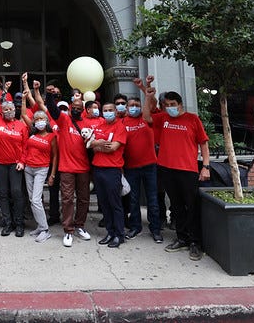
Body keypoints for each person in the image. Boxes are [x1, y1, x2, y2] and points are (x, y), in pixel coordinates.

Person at [141, 77, 210, 261]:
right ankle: (182, 238)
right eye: (167, 104)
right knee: (177, 207)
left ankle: (195, 242)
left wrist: (206, 166)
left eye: (173, 104)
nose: (170, 107)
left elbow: (203, 144)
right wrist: (148, 97)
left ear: (180, 104)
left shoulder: (192, 119)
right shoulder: (163, 118)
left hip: (188, 170)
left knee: (192, 206)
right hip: (166, 169)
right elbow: (146, 117)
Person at [42, 85, 92, 247]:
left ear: (83, 110)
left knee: (84, 199)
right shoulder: (64, 119)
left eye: (79, 108)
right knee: (67, 199)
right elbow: (52, 109)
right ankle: (68, 230)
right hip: (67, 168)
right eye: (74, 108)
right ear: (70, 108)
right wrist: (50, 95)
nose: (76, 110)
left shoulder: (88, 124)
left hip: (84, 168)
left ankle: (80, 226)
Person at [0, 90, 28, 237]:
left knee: (16, 193)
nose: (8, 111)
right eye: (6, 109)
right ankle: (8, 223)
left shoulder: (21, 126)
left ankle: (19, 223)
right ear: (2, 111)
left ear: (15, 110)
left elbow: (25, 146)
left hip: (15, 164)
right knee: (2, 194)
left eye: (11, 109)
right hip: (0, 163)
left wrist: (22, 161)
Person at [19, 74, 58, 243]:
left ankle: (45, 229)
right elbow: (24, 114)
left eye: (42, 119)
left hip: (42, 168)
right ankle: (40, 226)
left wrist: (52, 175)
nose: (39, 121)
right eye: (37, 119)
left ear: (46, 121)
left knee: (36, 199)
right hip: (28, 168)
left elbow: (55, 156)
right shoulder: (33, 132)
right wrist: (23, 98)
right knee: (32, 199)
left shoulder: (51, 136)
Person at [122, 89, 162, 243]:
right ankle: (135, 227)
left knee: (153, 199)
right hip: (131, 167)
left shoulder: (147, 119)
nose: (134, 108)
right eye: (131, 105)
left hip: (150, 166)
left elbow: (152, 104)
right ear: (126, 108)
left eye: (137, 105)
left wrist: (147, 90)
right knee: (133, 200)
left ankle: (156, 229)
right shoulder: (123, 122)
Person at [90, 102, 127, 248]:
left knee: (115, 203)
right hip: (98, 169)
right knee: (104, 204)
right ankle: (110, 232)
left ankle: (119, 234)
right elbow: (91, 145)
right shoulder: (99, 126)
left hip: (112, 170)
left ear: (116, 112)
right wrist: (99, 144)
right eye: (105, 110)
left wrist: (98, 144)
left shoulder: (120, 127)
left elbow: (113, 147)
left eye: (110, 110)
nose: (107, 112)